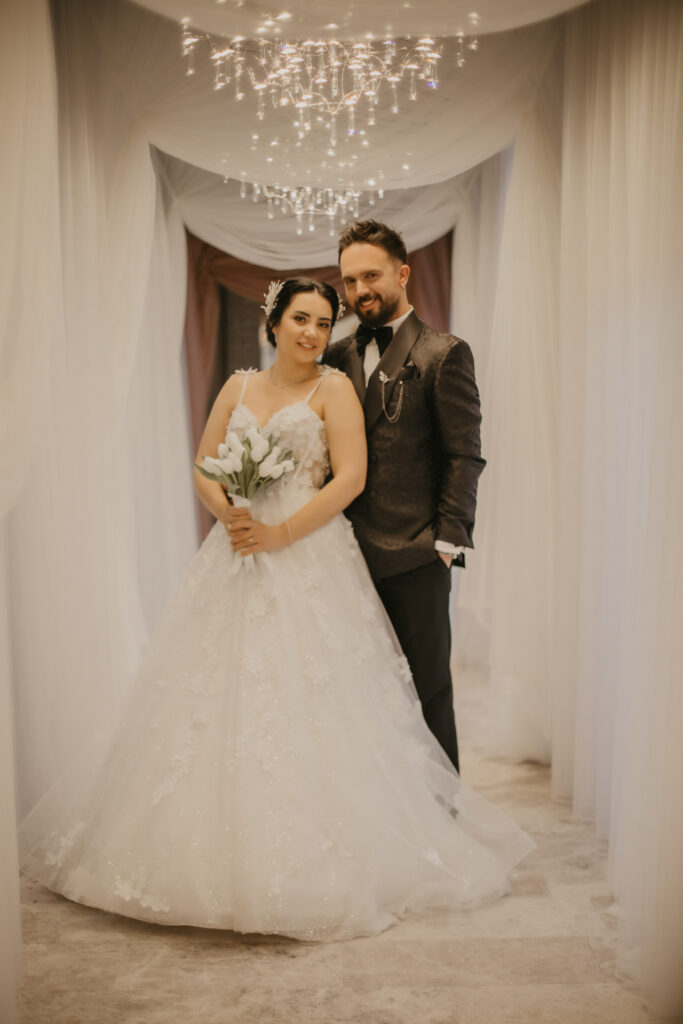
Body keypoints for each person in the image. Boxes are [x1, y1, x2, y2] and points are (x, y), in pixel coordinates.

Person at [19, 277, 533, 943]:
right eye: (300, 319)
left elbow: (350, 478)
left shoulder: (334, 389)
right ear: (274, 322)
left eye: (322, 323)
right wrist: (228, 512)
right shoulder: (237, 387)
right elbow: (204, 464)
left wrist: (281, 533)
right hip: (235, 549)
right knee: (209, 690)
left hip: (308, 549)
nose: (312, 333)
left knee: (310, 691)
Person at [324, 220, 485, 773]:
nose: (359, 290)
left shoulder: (445, 353)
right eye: (349, 281)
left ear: (403, 273)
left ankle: (443, 815)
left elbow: (465, 455)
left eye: (370, 275)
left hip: (417, 556)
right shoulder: (335, 356)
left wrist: (446, 543)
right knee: (356, 696)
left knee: (428, 694)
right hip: (343, 558)